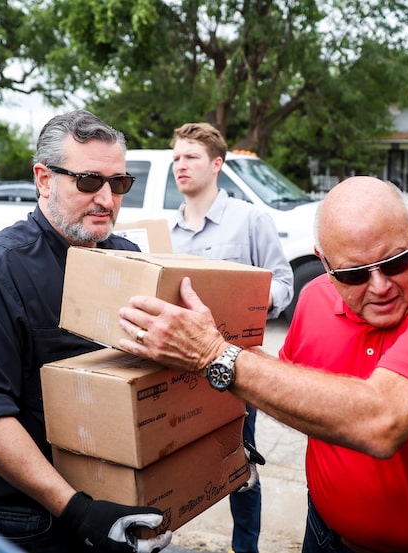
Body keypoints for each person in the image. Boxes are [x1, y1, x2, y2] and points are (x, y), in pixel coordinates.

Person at [117, 177, 408, 553]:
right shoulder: (315, 298)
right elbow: (283, 388)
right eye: (353, 274)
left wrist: (213, 354)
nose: (380, 286)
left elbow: (382, 421)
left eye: (395, 262)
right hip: (323, 533)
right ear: (324, 262)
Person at [0, 110, 172, 553]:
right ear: (44, 180)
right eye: (88, 181)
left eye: (119, 183)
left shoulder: (127, 258)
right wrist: (78, 511)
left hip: (118, 504)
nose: (106, 198)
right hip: (28, 518)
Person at [169, 122, 294, 553]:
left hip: (235, 367)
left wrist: (247, 306)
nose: (180, 166)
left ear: (217, 164)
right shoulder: (165, 233)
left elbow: (284, 281)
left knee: (241, 467)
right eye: (176, 158)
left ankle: (247, 549)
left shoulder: (249, 219)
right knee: (173, 461)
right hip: (178, 371)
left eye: (191, 157)